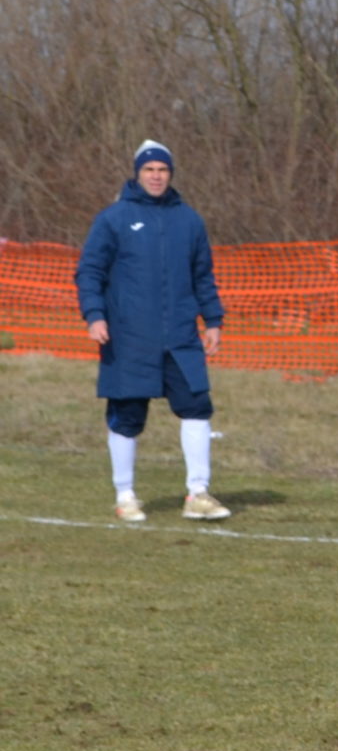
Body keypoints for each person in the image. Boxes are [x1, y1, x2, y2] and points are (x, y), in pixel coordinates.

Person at [74, 140, 229, 524]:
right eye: (149, 170)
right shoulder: (113, 218)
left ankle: (198, 494)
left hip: (180, 337)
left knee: (197, 406)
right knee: (127, 416)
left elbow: (203, 276)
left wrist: (212, 320)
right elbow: (89, 271)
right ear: (137, 173)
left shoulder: (189, 220)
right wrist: (94, 314)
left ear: (171, 174)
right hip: (129, 337)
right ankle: (125, 496)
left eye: (163, 169)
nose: (156, 176)